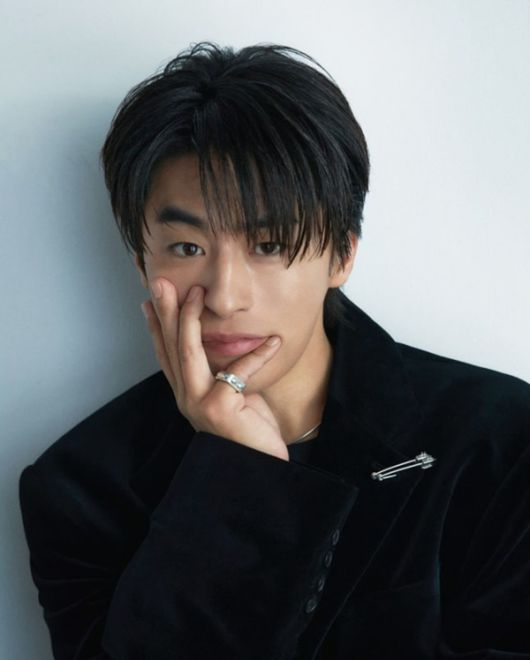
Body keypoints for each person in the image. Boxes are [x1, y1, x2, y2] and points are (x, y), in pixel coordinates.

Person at [18, 41, 530, 660]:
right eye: (186, 248)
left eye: (268, 245)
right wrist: (239, 478)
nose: (225, 297)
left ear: (342, 255)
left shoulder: (501, 439)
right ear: (141, 262)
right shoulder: (80, 487)